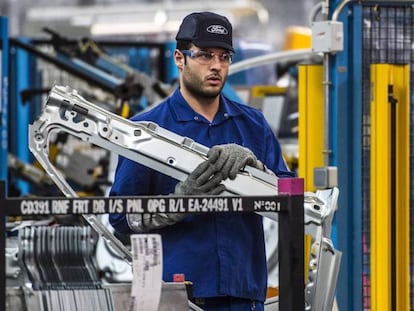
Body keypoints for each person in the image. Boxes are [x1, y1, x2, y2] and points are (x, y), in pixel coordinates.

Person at [109, 11, 294, 311]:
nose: (216, 66)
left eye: (224, 57)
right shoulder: (147, 131)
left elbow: (290, 199)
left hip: (243, 295)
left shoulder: (252, 125)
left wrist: (258, 171)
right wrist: (177, 203)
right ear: (179, 59)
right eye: (205, 55)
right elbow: (120, 217)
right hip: (177, 298)